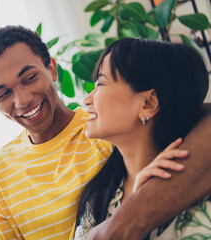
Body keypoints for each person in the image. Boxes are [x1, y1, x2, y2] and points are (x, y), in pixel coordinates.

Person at [0, 26, 211, 240]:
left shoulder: (105, 132)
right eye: (2, 93)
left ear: (52, 69)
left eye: (29, 77)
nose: (22, 100)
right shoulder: (2, 169)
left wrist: (138, 204)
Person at [74, 38, 211, 239]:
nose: (87, 99)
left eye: (101, 83)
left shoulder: (199, 206)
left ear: (147, 103)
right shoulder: (98, 197)